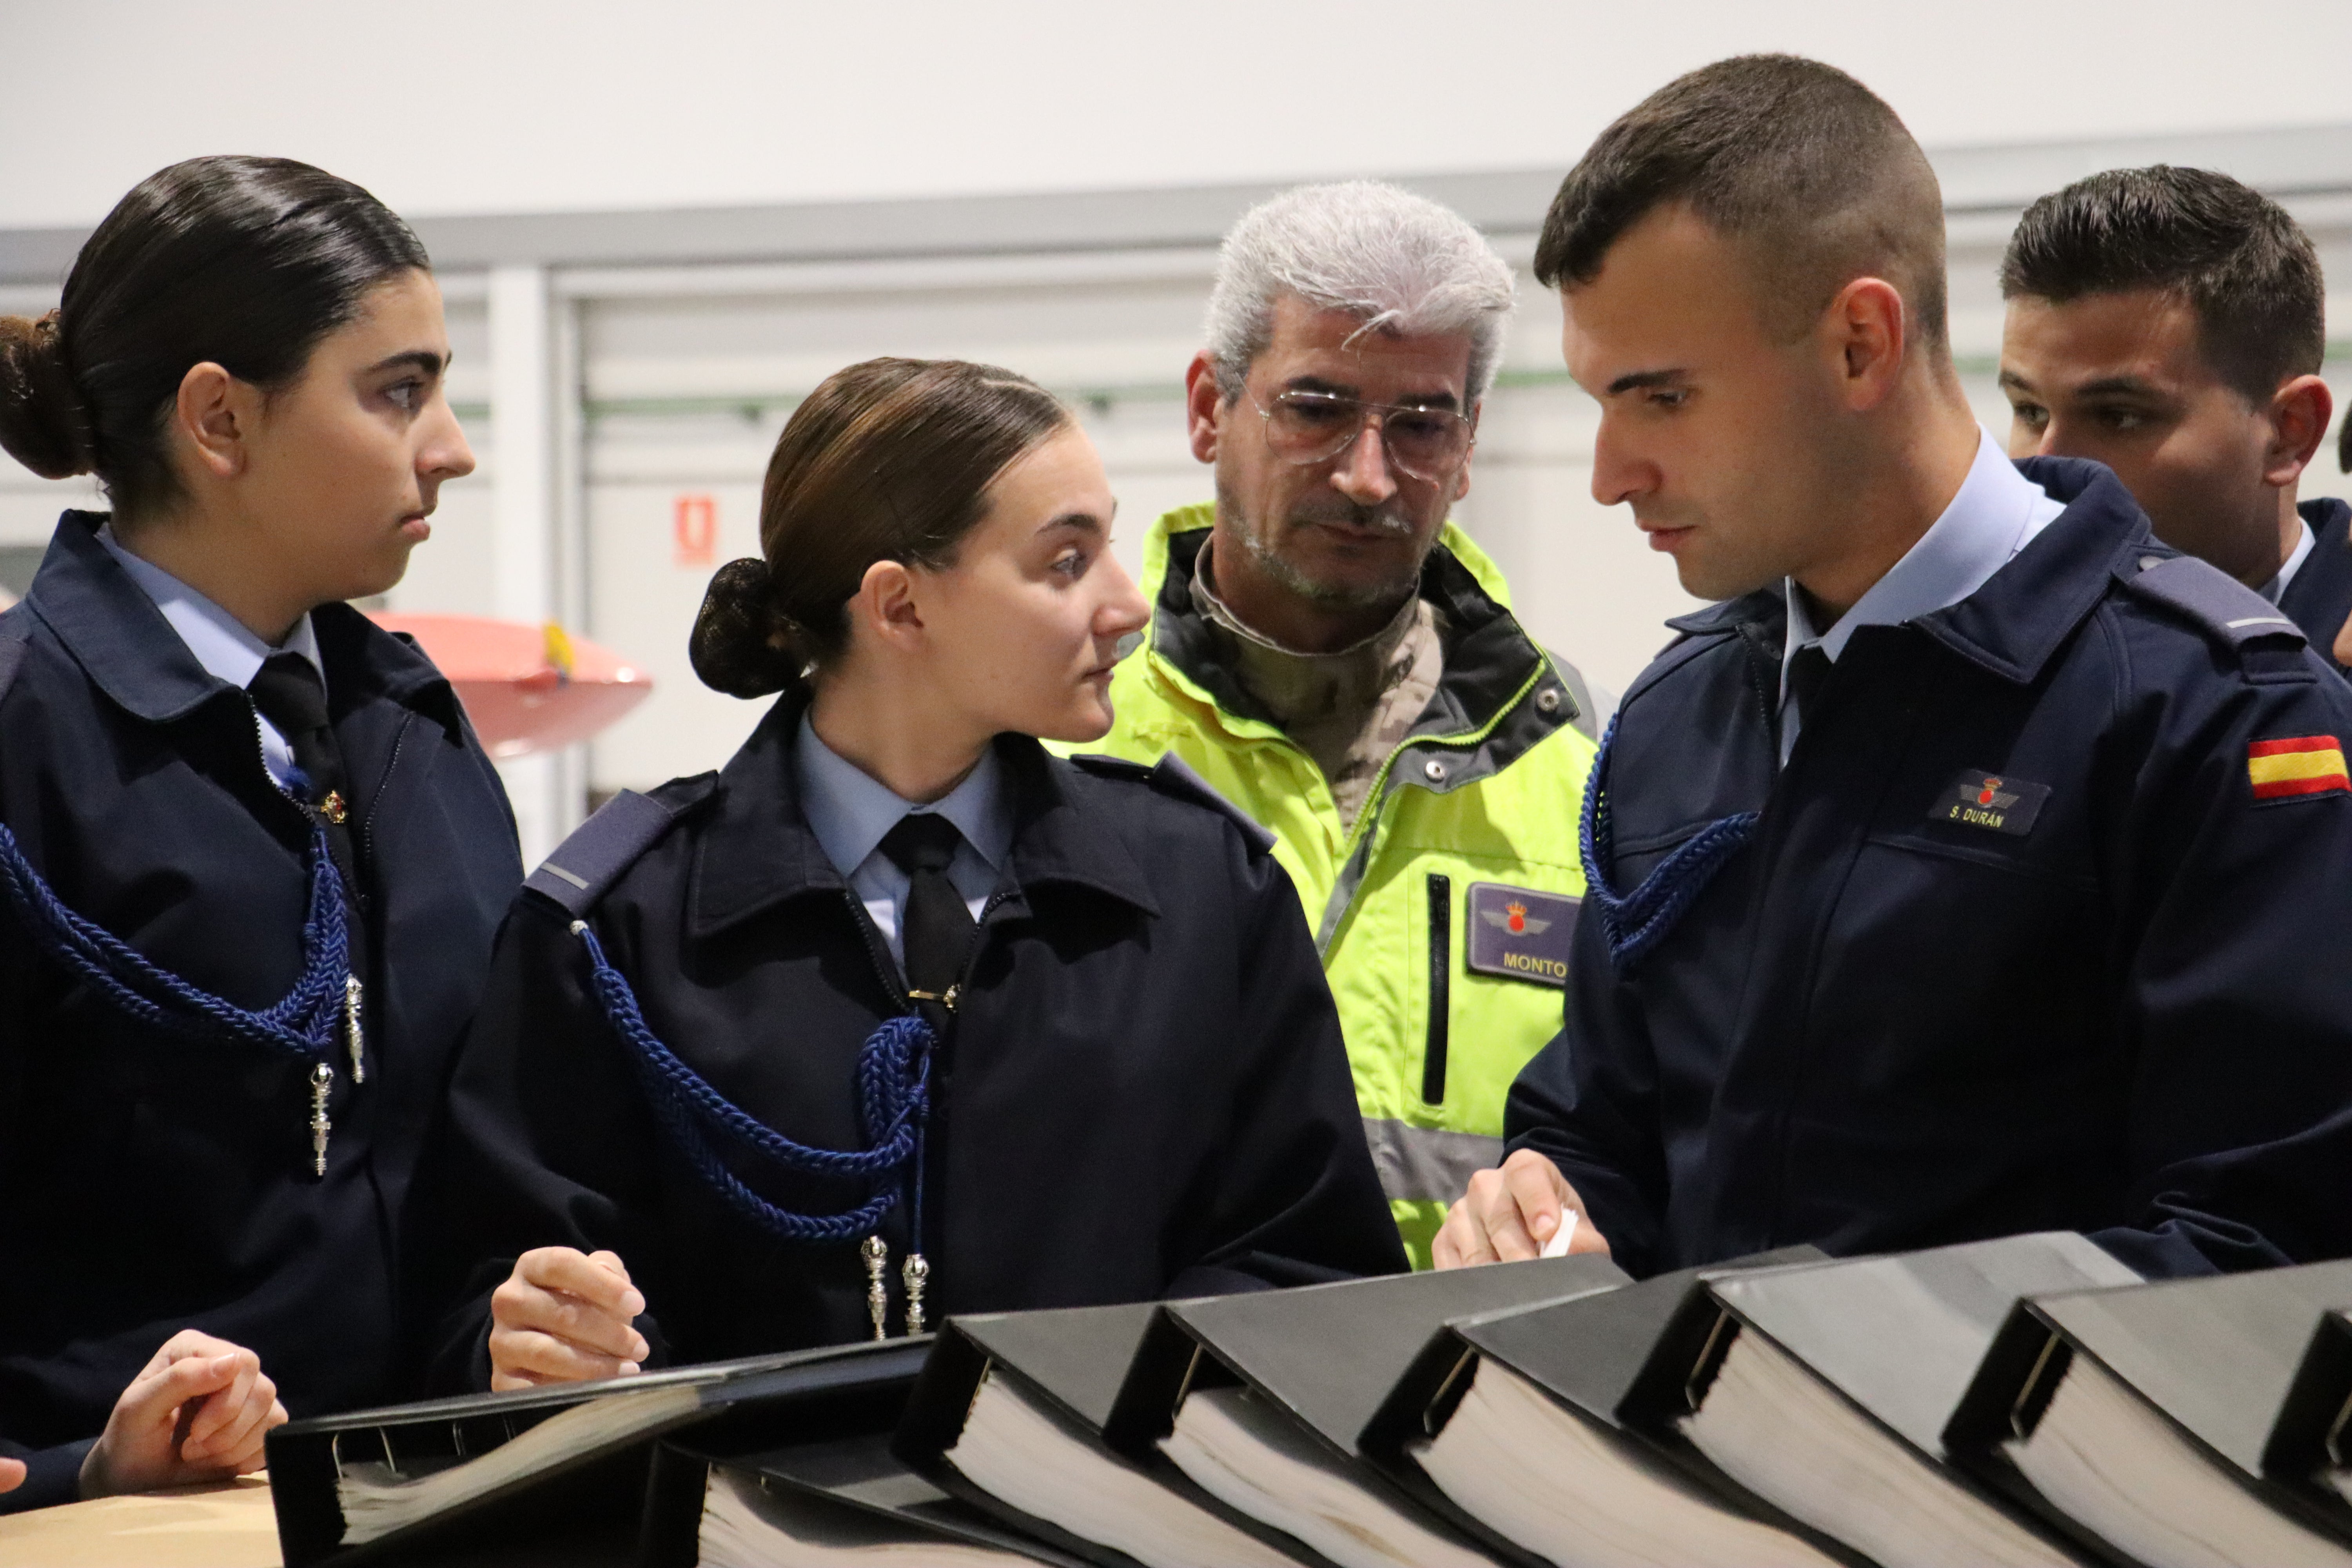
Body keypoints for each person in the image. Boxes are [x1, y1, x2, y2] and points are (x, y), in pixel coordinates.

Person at [1433, 56, 2352, 1280]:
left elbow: (2266, 1251)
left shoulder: (2210, 714)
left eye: (1662, 397)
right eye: (1604, 400)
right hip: (1698, 1466)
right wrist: (1541, 1209)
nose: (1611, 472)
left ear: (1862, 343)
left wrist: (1850, 1376)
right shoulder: (1682, 710)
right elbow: (1604, 1133)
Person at [422, 357, 1403, 1389]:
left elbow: (1310, 1264)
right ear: (900, 608)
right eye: (1068, 561)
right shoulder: (614, 929)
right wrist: (545, 1343)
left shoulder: (1208, 895)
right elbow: (479, 1286)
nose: (1126, 605)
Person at [0, 156, 517, 1509]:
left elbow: (467, 1167)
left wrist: (520, 1330)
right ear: (220, 420)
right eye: (399, 391)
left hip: (438, 1514)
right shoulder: (21, 745)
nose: (452, 445)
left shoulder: (416, 729)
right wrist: (80, 1469)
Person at [1082, 182, 1603, 1269]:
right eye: (1316, 408)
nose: (1370, 477)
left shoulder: (1579, 761)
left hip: (1466, 1409)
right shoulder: (1063, 733)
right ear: (1206, 411)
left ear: (1467, 450)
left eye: (1421, 425)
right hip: (1131, 1411)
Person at [1996, 166, 2348, 671]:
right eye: (2031, 411)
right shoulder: (1966, 665)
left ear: (2289, 432)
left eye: (2118, 417)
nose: (2045, 469)